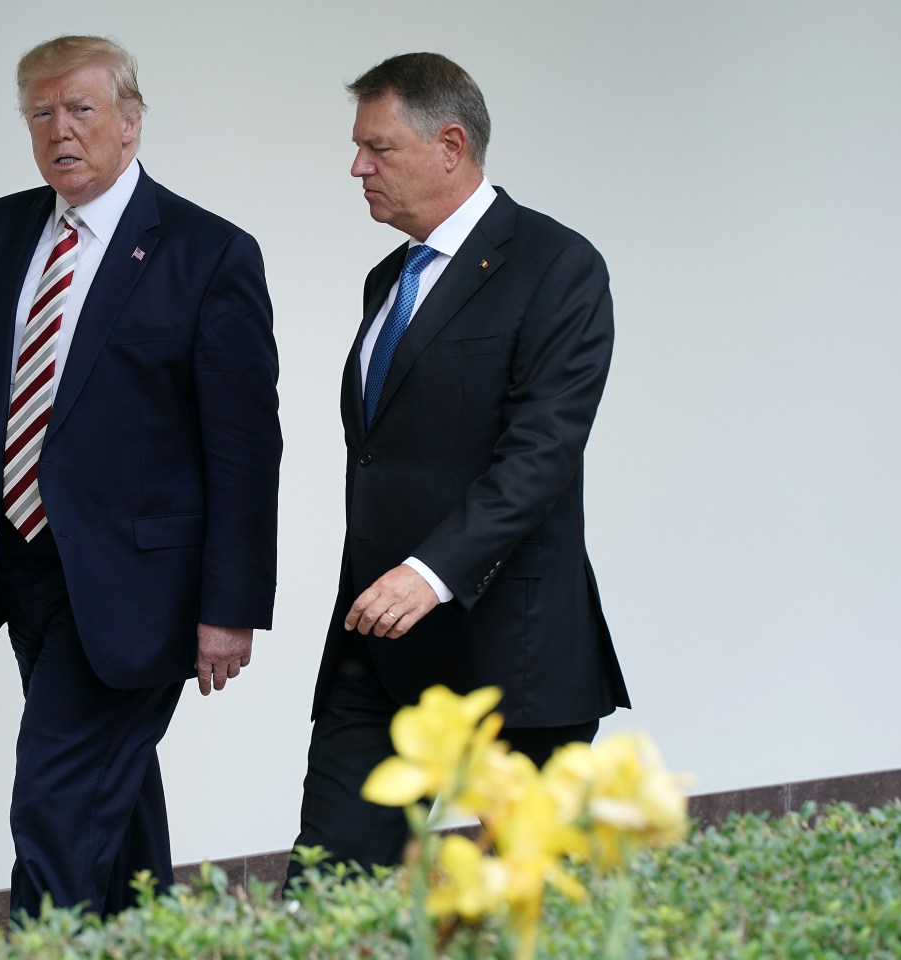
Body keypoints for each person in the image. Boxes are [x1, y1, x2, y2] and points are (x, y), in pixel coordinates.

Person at [0, 35, 281, 917]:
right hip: (25, 569)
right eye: (40, 113)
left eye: (80, 108)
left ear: (131, 120)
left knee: (55, 795)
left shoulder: (208, 254)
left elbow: (244, 451)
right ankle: (152, 935)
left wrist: (230, 607)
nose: (60, 130)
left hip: (144, 583)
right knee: (106, 796)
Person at [289, 52, 629, 877]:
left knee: (525, 908)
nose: (356, 166)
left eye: (378, 148)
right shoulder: (388, 280)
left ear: (450, 145)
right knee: (329, 890)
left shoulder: (557, 266)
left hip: (507, 648)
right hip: (377, 645)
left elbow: (542, 453)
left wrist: (430, 570)